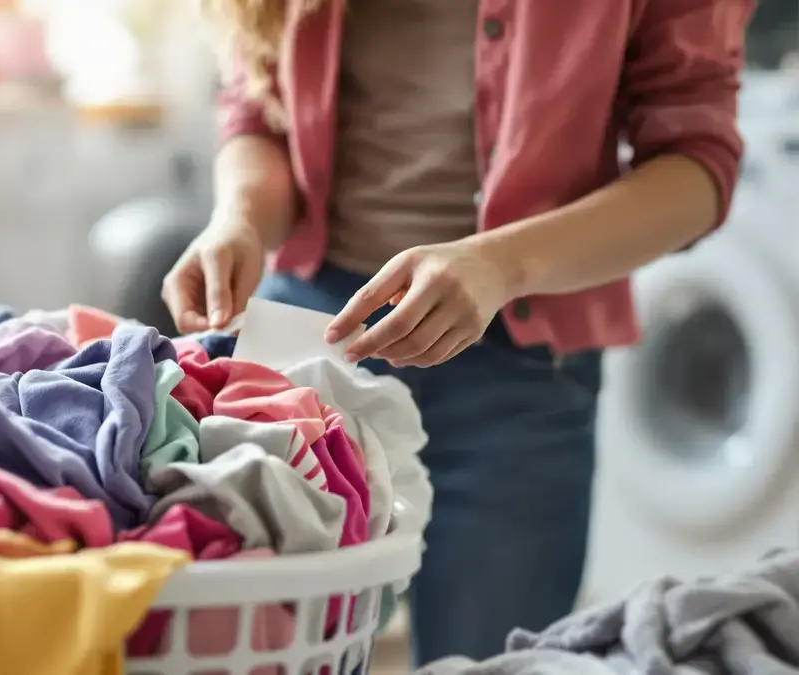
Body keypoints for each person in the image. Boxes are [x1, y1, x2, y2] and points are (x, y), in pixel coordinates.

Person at [160, 0, 755, 666]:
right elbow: (258, 110)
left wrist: (502, 262)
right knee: (261, 649)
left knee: (486, 657)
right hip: (309, 339)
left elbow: (695, 163)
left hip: (520, 369)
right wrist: (239, 218)